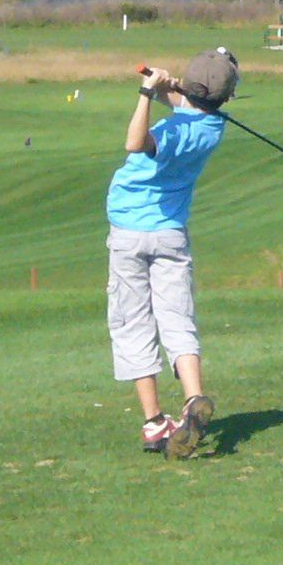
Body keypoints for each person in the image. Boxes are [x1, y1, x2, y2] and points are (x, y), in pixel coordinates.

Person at [105, 47, 239, 458]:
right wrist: (167, 88)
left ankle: (154, 422)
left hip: (130, 232)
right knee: (177, 316)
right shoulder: (213, 126)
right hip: (170, 234)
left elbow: (135, 142)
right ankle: (193, 398)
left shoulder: (171, 134)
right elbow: (187, 106)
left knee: (133, 323)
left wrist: (147, 93)